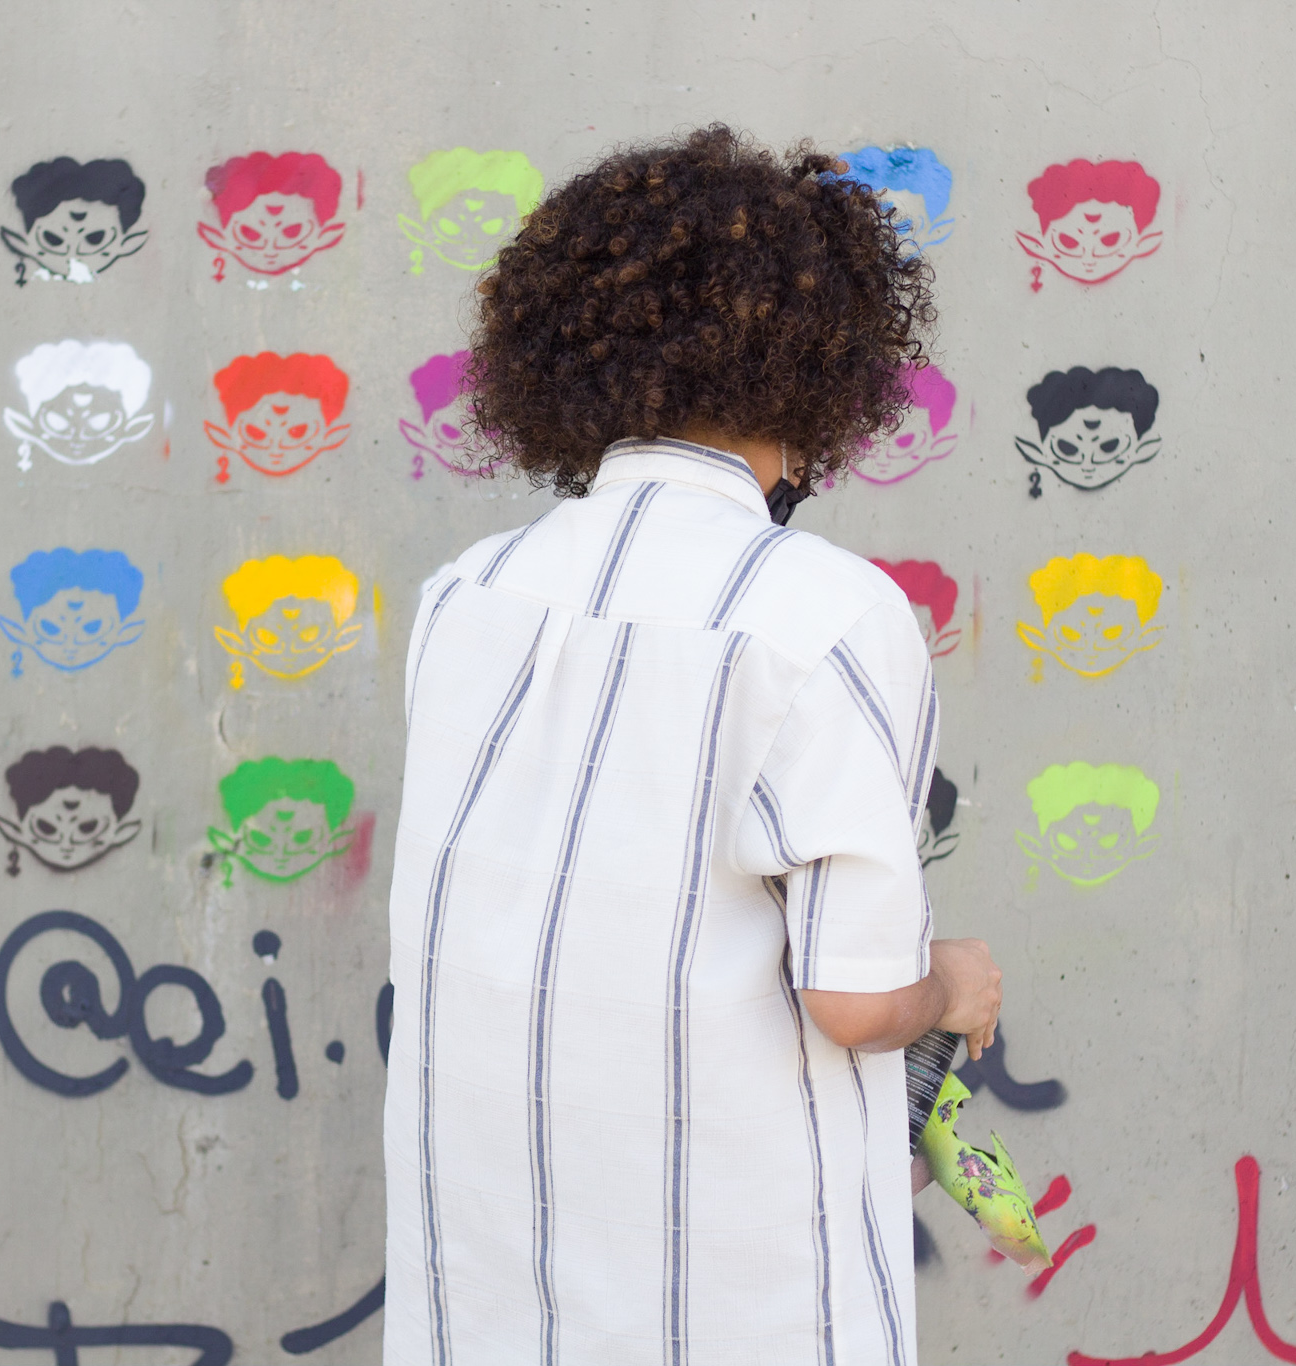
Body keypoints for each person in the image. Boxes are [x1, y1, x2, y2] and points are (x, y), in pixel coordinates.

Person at [383, 126, 1004, 1366]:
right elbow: (854, 1000)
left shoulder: (467, 592)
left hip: (486, 1292)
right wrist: (952, 988)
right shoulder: (826, 615)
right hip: (736, 1302)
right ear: (821, 366)